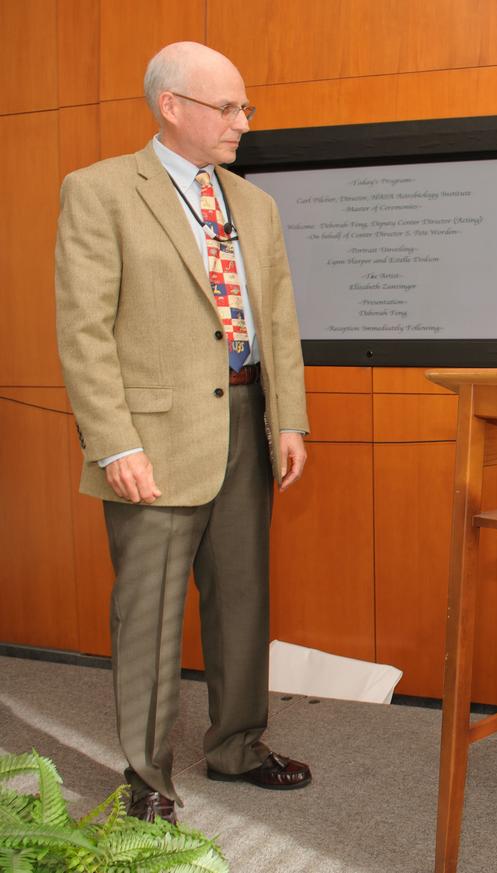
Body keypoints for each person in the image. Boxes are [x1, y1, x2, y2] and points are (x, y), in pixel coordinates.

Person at [54, 42, 312, 825]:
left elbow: (278, 321)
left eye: (245, 108)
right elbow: (84, 330)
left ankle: (237, 743)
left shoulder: (253, 203)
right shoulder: (99, 191)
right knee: (151, 609)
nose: (242, 121)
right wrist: (114, 442)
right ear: (172, 107)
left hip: (245, 421)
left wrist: (289, 416)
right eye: (228, 108)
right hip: (152, 437)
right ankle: (145, 774)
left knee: (242, 598)